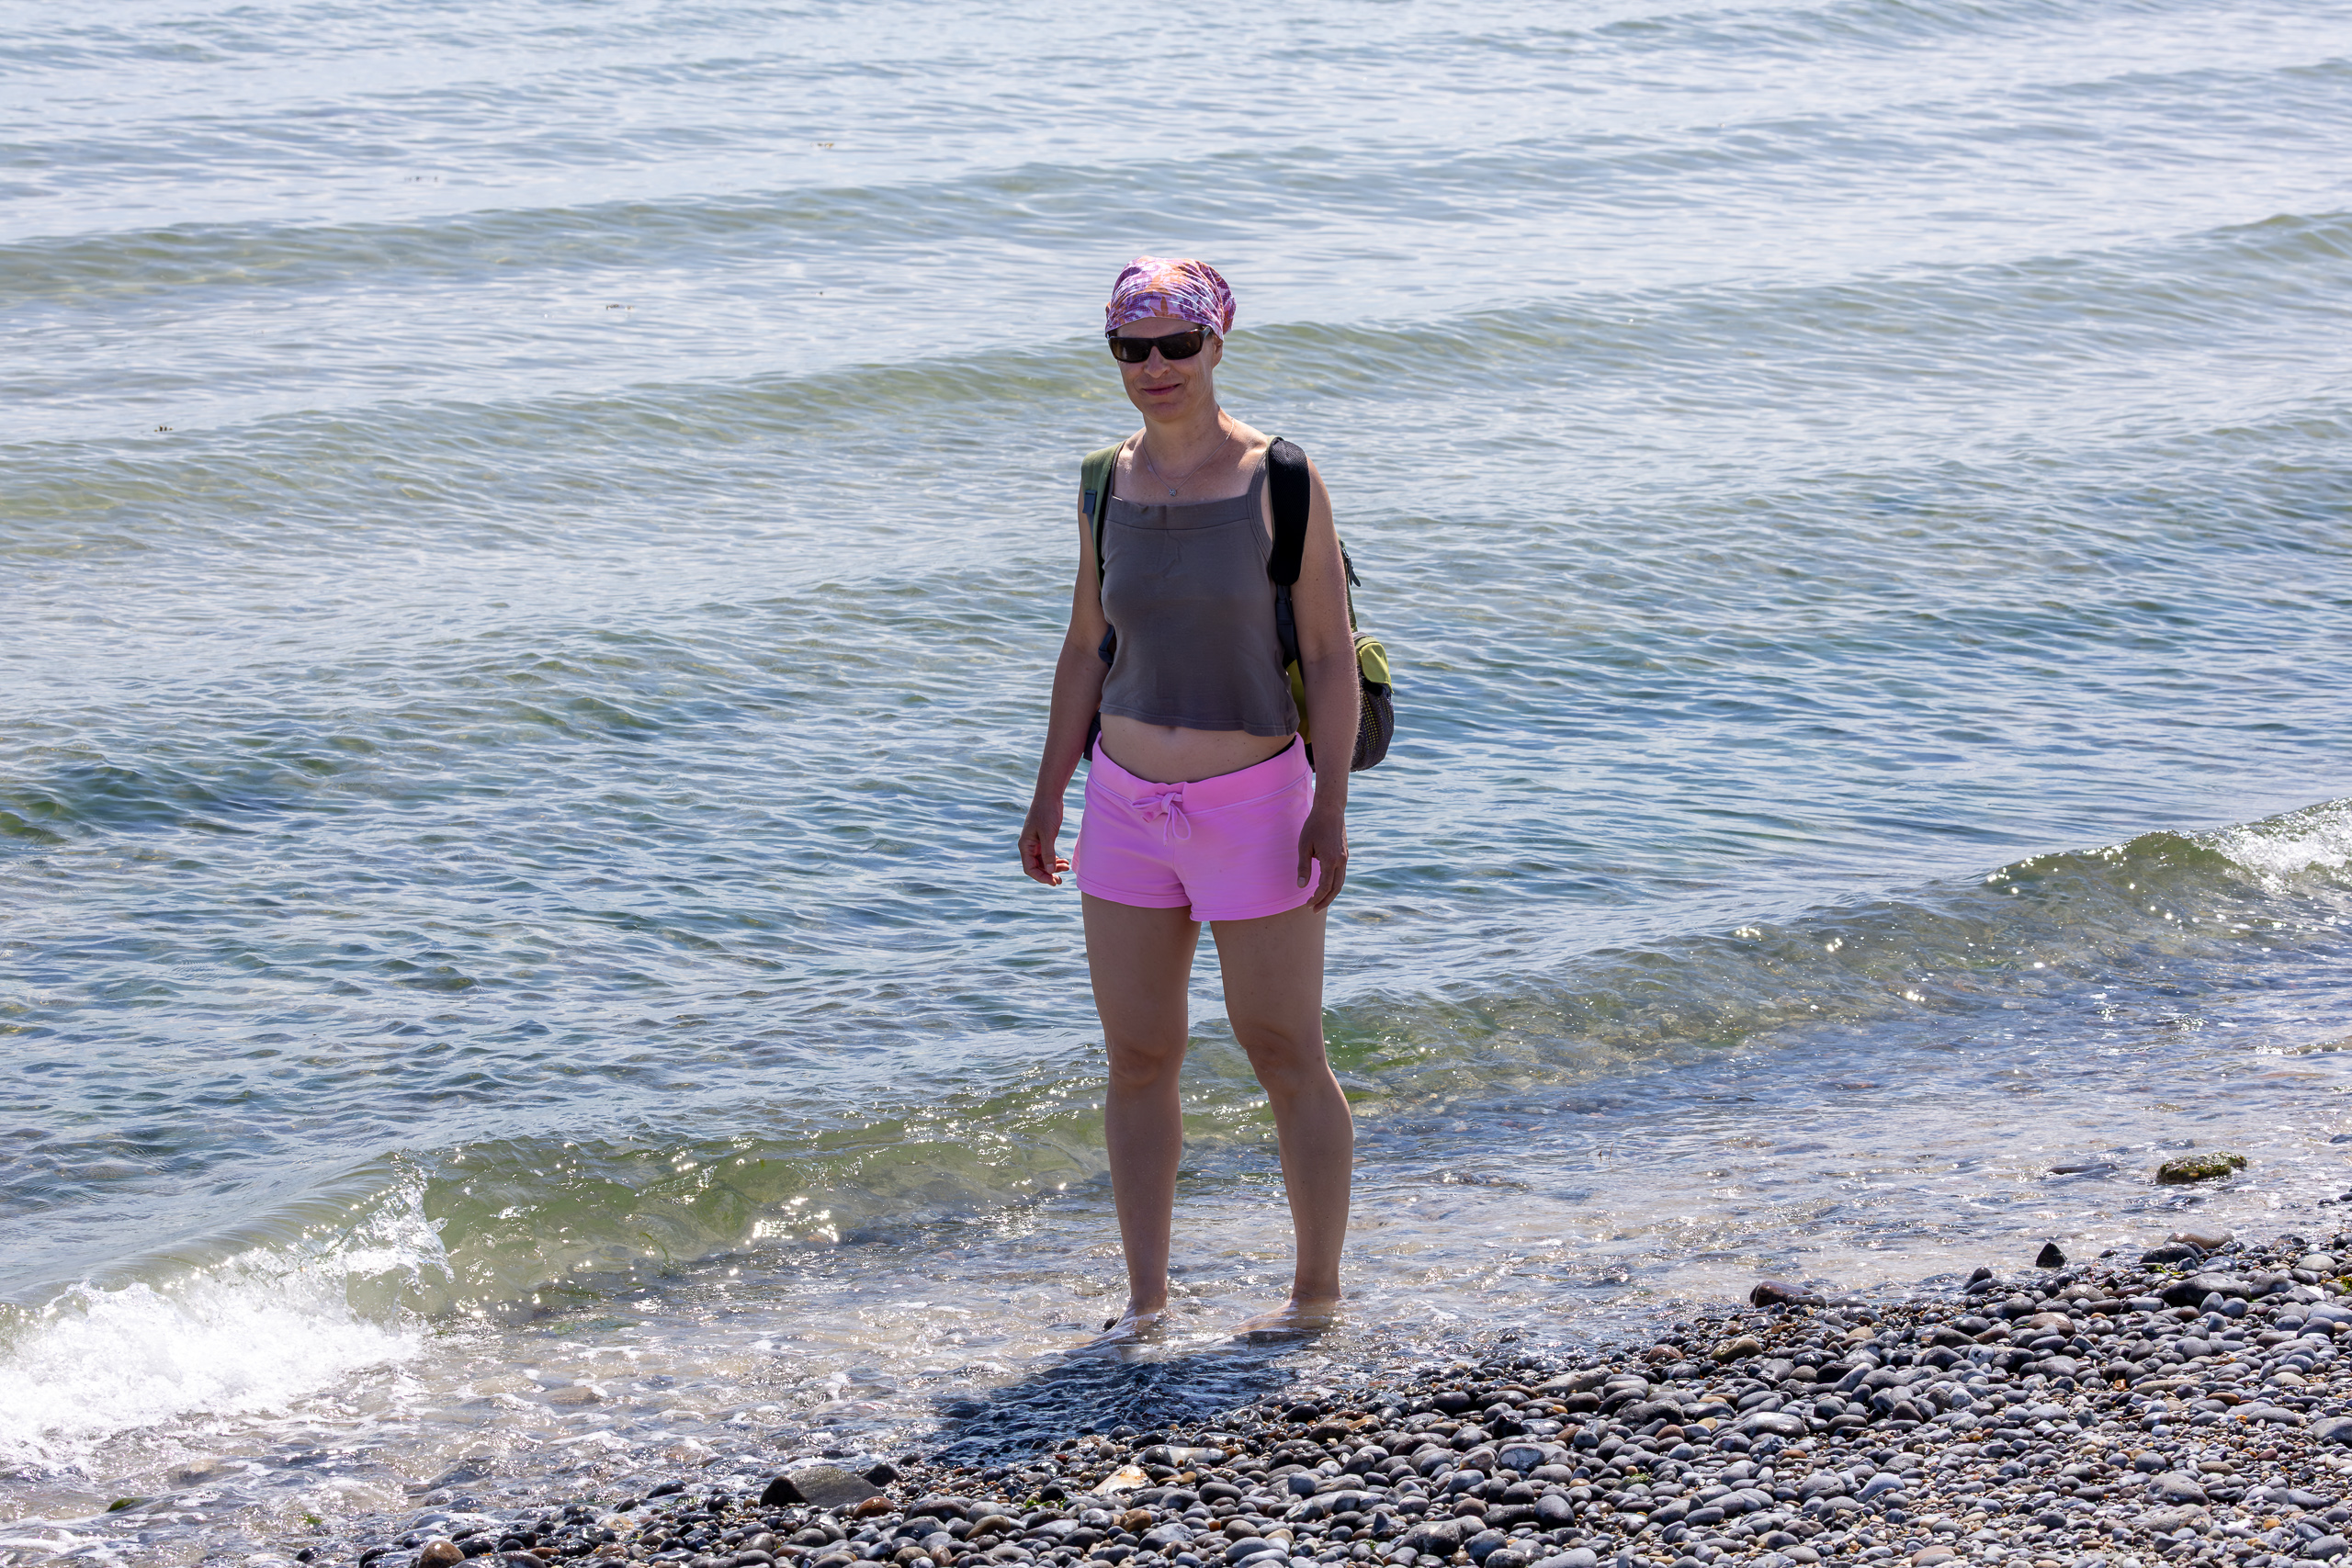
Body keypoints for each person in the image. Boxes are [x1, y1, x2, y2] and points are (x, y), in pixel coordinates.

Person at [1018, 256, 1361, 1342]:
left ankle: (1314, 1295)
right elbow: (1086, 644)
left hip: (1255, 806)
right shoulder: (1101, 482)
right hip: (1123, 808)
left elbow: (1329, 655)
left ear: (1217, 342)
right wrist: (1049, 793)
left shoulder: (1280, 479)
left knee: (1283, 1050)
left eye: (1176, 343)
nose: (1154, 366)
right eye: (1132, 347)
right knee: (1137, 1058)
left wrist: (1329, 806)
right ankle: (1146, 1302)